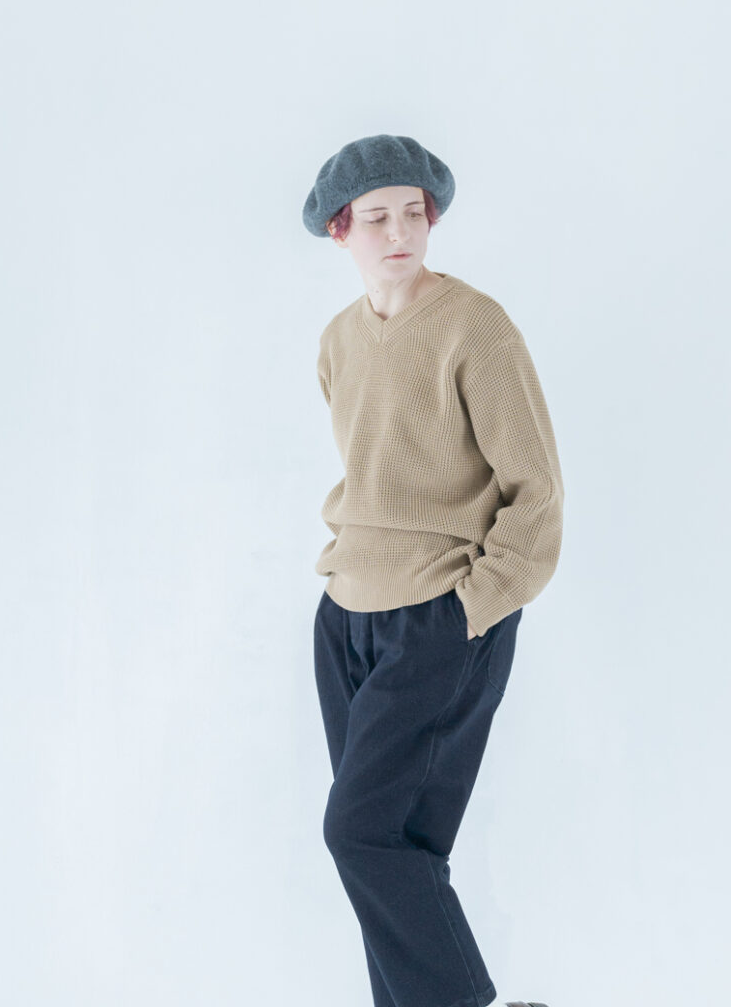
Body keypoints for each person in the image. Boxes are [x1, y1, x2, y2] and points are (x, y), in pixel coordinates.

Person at [303, 133, 563, 1007]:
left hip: (439, 614)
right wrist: (341, 589)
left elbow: (537, 494)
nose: (399, 232)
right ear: (341, 230)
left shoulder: (474, 328)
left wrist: (473, 607)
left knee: (360, 834)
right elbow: (373, 471)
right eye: (376, 217)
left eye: (413, 213)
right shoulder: (338, 342)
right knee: (396, 853)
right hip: (347, 614)